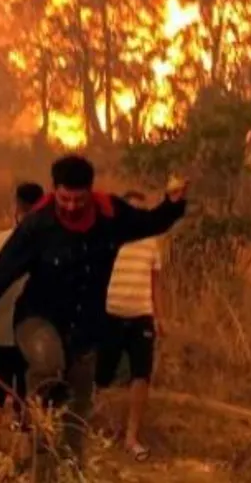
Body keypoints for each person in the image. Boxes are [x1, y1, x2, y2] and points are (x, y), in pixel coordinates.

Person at [0, 155, 188, 471]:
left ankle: (68, 471)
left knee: (76, 417)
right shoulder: (38, 224)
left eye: (78, 200)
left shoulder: (110, 215)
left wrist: (172, 205)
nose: (70, 207)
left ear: (90, 193)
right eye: (64, 199)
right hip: (37, 321)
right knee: (48, 368)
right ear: (55, 191)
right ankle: (36, 418)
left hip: (85, 331)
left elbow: (150, 222)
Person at [95, 189, 163, 462]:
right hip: (110, 314)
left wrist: (159, 317)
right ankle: (96, 427)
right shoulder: (108, 238)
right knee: (101, 376)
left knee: (141, 375)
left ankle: (131, 437)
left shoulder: (151, 242)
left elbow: (156, 283)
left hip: (141, 315)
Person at [0, 181, 44, 454]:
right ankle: (22, 455)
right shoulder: (47, 245)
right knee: (26, 395)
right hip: (31, 333)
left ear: (16, 208)